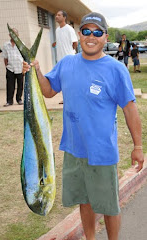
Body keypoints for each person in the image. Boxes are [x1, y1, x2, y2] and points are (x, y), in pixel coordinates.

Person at [23, 12, 144, 240]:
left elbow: (130, 109)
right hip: (73, 150)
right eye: (86, 31)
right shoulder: (67, 63)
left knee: (109, 206)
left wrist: (138, 146)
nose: (91, 36)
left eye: (97, 32)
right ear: (79, 34)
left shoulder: (116, 69)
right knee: (84, 201)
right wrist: (36, 71)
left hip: (102, 153)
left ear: (105, 37)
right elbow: (48, 90)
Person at [52, 10, 78, 104]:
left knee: (71, 79)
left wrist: (71, 52)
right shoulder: (57, 30)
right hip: (60, 60)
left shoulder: (69, 29)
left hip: (69, 58)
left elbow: (75, 43)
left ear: (64, 17)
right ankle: (65, 98)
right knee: (63, 79)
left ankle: (74, 97)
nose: (56, 16)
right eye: (56, 15)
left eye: (59, 15)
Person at [2, 28, 24, 106]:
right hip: (10, 68)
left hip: (20, 67)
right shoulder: (5, 45)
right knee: (10, 85)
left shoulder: (21, 44)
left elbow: (24, 56)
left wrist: (24, 68)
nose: (13, 35)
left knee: (20, 85)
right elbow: (5, 57)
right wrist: (7, 66)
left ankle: (19, 99)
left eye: (15, 33)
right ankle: (9, 101)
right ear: (9, 35)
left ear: (18, 35)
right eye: (11, 33)